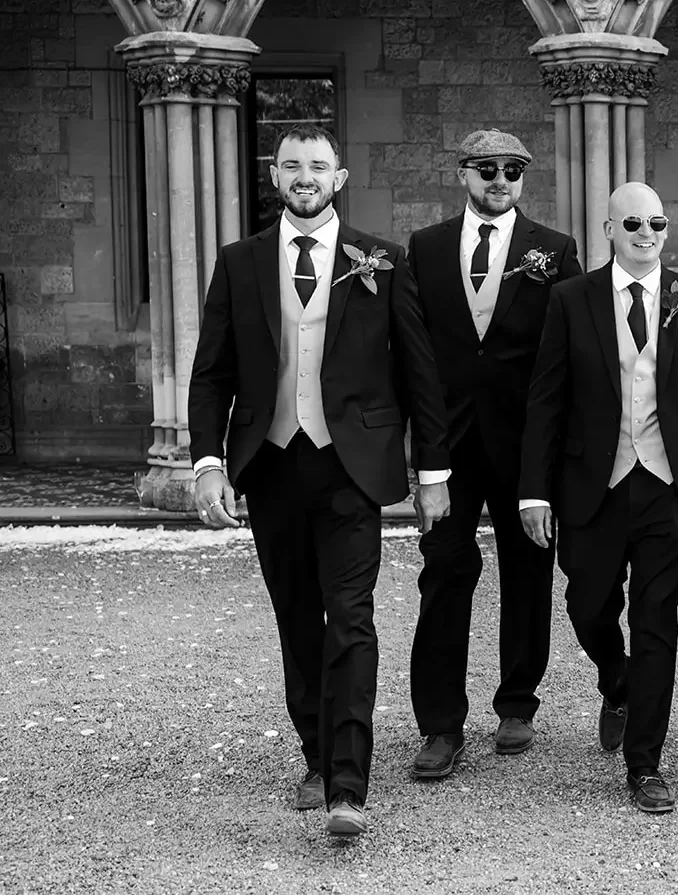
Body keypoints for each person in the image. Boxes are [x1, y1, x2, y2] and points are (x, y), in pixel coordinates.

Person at [188, 124, 451, 837]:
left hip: (351, 466)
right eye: (292, 164)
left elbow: (418, 373)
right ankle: (314, 750)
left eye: (318, 165)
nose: (305, 175)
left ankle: (347, 783)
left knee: (352, 617)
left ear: (339, 178)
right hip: (270, 463)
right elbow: (211, 371)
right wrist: (209, 461)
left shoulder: (383, 259)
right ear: (275, 176)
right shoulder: (239, 262)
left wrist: (433, 472)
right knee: (297, 620)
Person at [518, 181, 678, 814]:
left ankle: (645, 765)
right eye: (634, 222)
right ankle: (617, 680)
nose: (647, 233)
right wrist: (534, 490)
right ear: (609, 229)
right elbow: (546, 400)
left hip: (672, 486)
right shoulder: (571, 298)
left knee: (656, 620)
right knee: (586, 602)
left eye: (658, 222)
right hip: (594, 481)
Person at [404, 129, 582, 779]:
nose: (500, 178)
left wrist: (559, 456)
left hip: (526, 443)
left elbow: (566, 357)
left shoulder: (554, 251)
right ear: (464, 174)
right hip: (446, 444)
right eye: (487, 168)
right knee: (444, 572)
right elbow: (414, 355)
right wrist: (424, 458)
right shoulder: (423, 249)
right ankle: (441, 723)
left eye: (512, 169)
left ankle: (516, 703)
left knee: (529, 572)